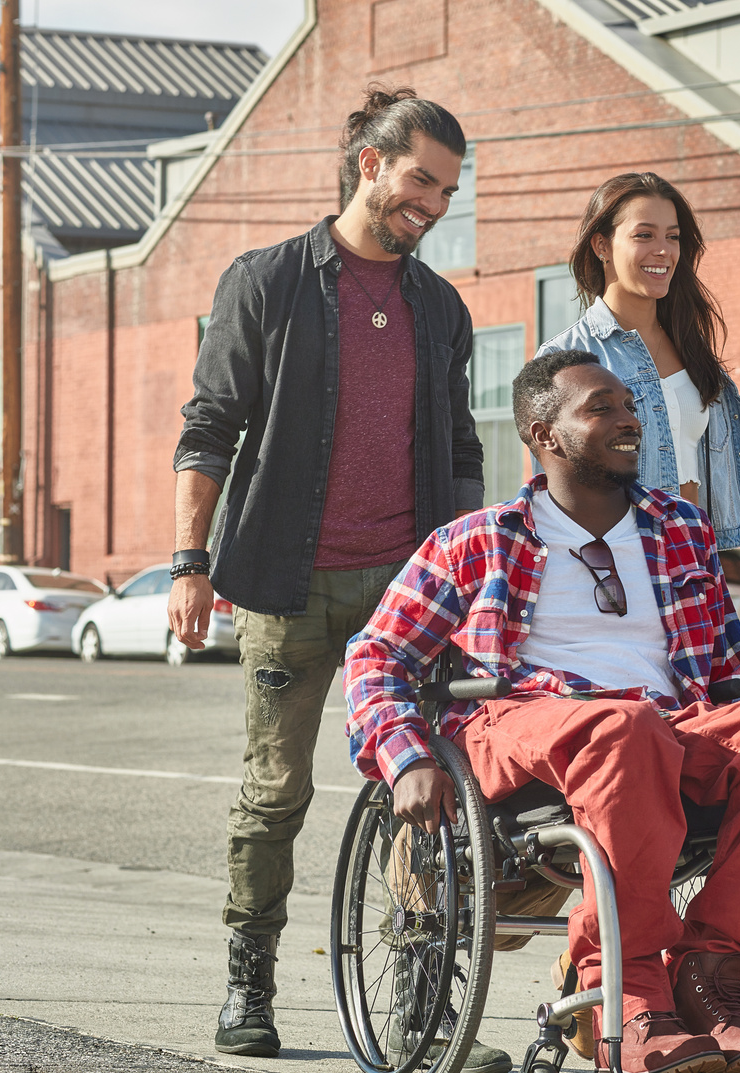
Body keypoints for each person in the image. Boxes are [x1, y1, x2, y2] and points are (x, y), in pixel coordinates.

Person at [345, 350, 740, 1073]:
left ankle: (712, 975)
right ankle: (623, 998)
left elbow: (725, 681)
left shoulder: (681, 531)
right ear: (544, 433)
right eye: (601, 408)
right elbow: (377, 655)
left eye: (629, 406)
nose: (628, 420)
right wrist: (404, 756)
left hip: (661, 729)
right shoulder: (479, 539)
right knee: (621, 727)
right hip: (523, 722)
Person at [167, 85, 509, 1071]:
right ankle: (249, 979)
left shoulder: (439, 307)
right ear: (369, 163)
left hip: (409, 595)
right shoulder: (266, 281)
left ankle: (414, 996)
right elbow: (208, 429)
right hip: (287, 583)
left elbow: (457, 450)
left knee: (423, 787)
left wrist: (464, 578)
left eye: (447, 190)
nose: (434, 205)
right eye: (420, 182)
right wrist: (190, 563)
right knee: (274, 793)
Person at [535, 172, 740, 548]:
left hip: (696, 558)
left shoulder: (692, 349)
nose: (664, 250)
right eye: (644, 235)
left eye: (672, 237)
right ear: (602, 245)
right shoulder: (564, 361)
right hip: (623, 563)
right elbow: (556, 495)